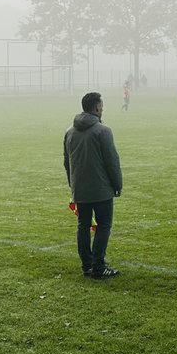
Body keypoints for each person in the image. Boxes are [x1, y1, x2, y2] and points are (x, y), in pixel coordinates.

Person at [63, 92, 123, 280]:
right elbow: (111, 161)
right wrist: (117, 184)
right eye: (102, 106)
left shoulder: (70, 132)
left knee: (83, 226)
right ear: (96, 107)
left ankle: (87, 265)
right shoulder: (102, 131)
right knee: (104, 225)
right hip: (101, 189)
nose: (103, 108)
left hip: (80, 188)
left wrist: (73, 185)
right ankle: (98, 266)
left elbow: (67, 162)